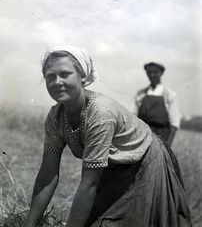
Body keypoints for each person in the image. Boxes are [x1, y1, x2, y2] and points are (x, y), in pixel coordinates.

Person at [25, 47, 191, 227]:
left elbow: (89, 184)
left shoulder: (100, 113)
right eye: (50, 76)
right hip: (112, 166)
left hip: (145, 163)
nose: (57, 82)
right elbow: (47, 175)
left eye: (65, 74)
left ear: (82, 76)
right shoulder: (55, 117)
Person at [136, 62, 180, 147]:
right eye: (149, 72)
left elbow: (174, 123)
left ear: (161, 73)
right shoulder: (141, 94)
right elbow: (133, 117)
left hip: (161, 139)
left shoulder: (169, 94)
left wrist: (167, 146)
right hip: (142, 137)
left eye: (156, 72)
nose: (152, 75)